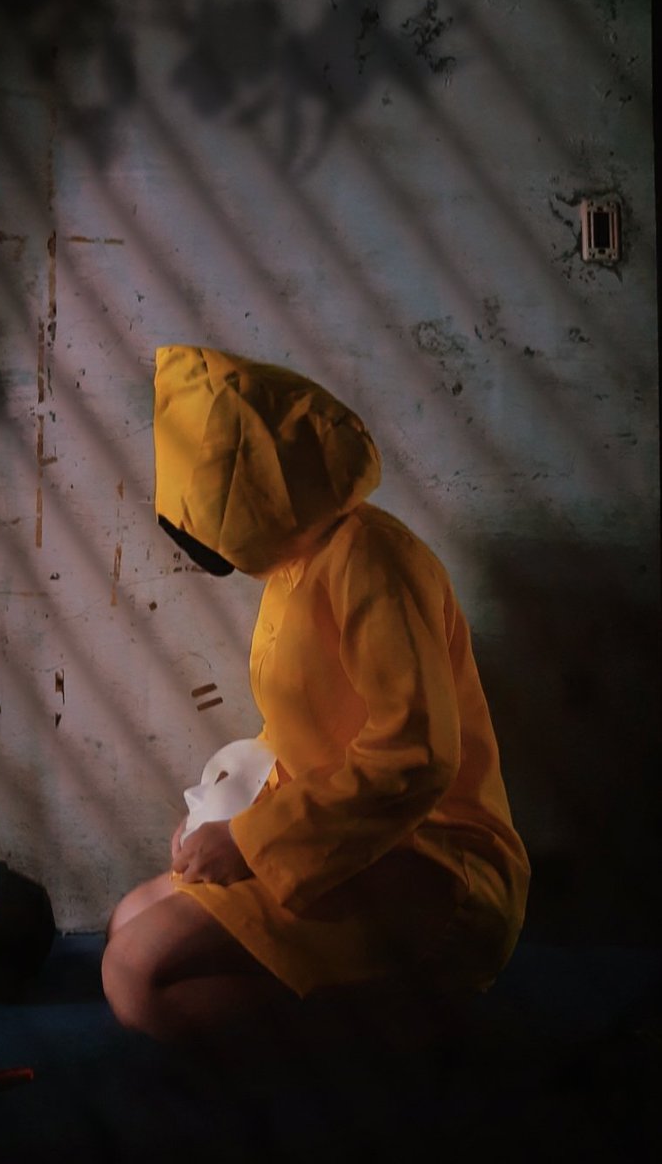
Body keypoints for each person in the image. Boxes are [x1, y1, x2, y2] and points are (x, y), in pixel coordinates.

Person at [101, 344, 530, 1047]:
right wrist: (219, 811)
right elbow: (304, 728)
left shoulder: (375, 561)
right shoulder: (295, 560)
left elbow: (416, 757)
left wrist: (249, 842)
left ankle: (394, 1016)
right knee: (127, 923)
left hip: (429, 857)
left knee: (135, 976)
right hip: (339, 837)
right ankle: (347, 1003)